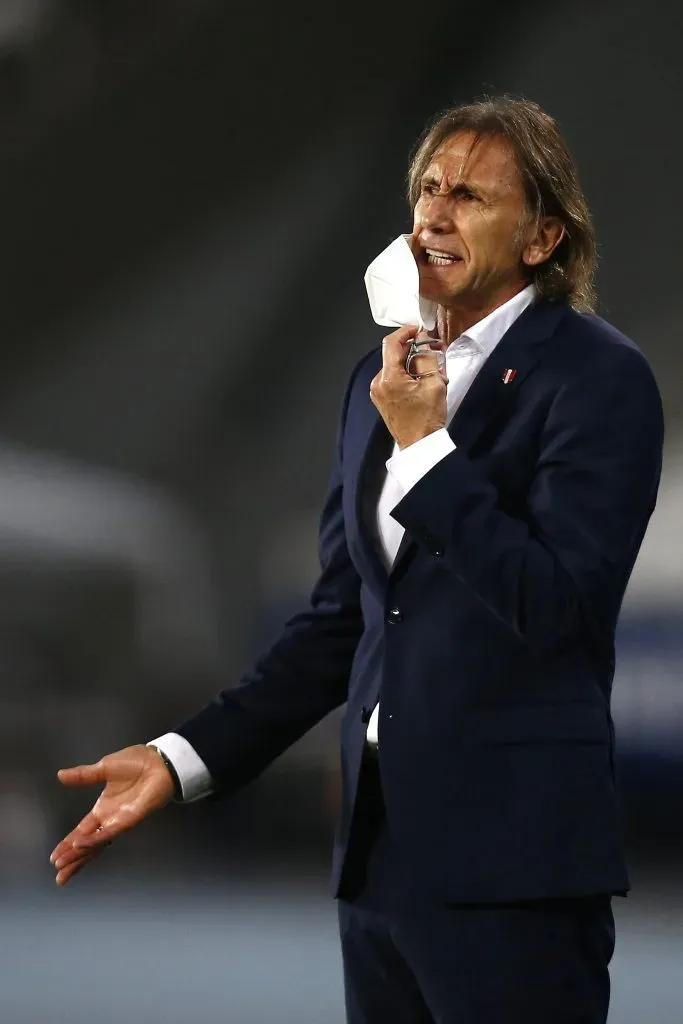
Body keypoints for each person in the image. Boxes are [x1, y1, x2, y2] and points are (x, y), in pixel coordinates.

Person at [50, 96, 664, 1024]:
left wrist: (424, 451)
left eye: (469, 196)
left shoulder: (598, 378)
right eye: (427, 189)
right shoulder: (377, 379)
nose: (434, 216)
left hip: (513, 871)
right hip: (378, 867)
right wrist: (182, 759)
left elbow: (557, 607)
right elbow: (345, 619)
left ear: (542, 238)